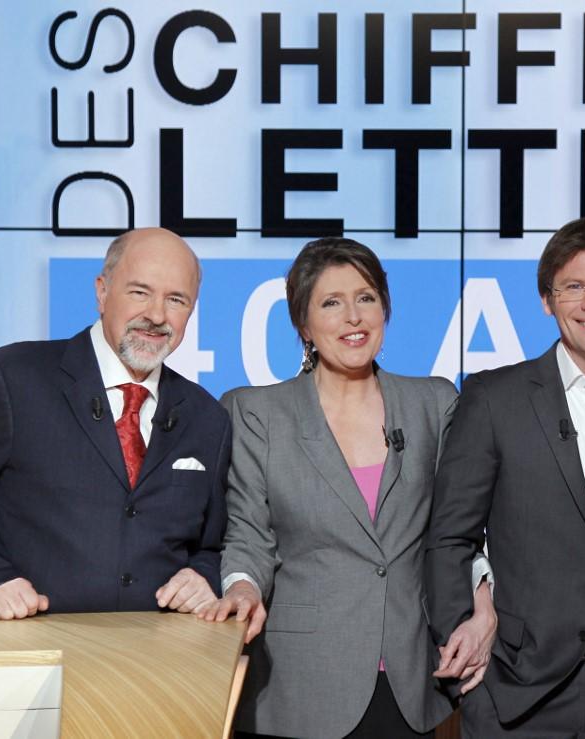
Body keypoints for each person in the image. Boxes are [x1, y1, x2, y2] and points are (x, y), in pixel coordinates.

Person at [200, 237, 495, 739]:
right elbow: (248, 535)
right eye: (331, 303)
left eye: (366, 298)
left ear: (385, 308)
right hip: (299, 684)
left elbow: (460, 531)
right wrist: (244, 590)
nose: (353, 317)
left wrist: (484, 607)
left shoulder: (434, 403)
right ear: (304, 325)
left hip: (414, 677)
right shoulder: (255, 412)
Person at [425, 218, 585, 738]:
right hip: (516, 690)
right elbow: (450, 535)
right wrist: (463, 643)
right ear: (546, 300)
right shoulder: (493, 398)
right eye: (574, 287)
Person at [0, 228, 230, 618]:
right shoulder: (13, 379)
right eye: (140, 292)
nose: (156, 315)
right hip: (29, 654)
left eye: (176, 299)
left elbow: (215, 545)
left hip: (159, 664)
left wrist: (203, 575)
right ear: (102, 292)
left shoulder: (208, 417)